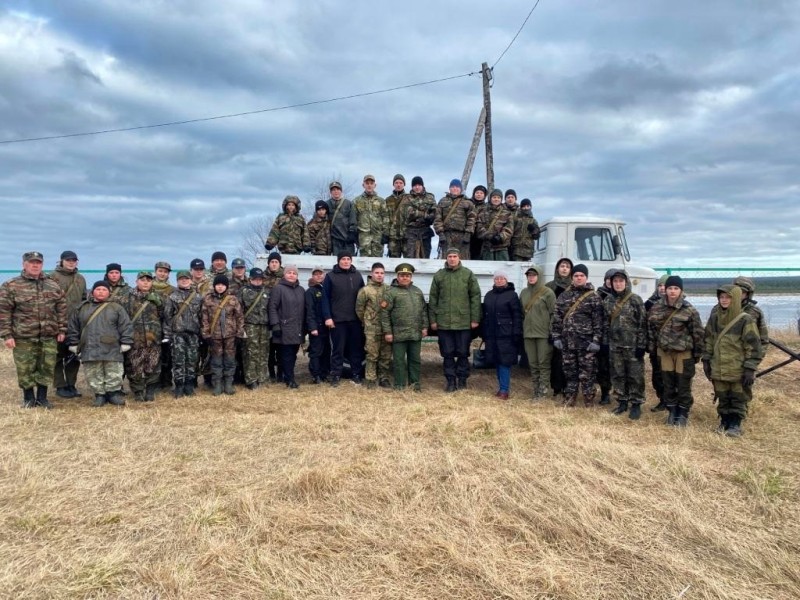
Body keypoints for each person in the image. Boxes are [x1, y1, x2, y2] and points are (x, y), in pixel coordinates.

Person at [0, 251, 67, 408]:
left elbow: (62, 309)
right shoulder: (11, 285)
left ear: (42, 265)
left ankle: (42, 398)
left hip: (49, 335)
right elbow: (3, 312)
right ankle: (28, 398)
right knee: (25, 368)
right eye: (31, 262)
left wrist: (62, 330)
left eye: (38, 262)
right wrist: (6, 335)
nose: (35, 265)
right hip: (23, 336)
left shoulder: (53, 284)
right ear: (24, 264)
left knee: (47, 366)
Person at [702, 285, 762, 437]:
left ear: (735, 299)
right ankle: (724, 422)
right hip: (719, 366)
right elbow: (708, 339)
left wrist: (750, 368)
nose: (724, 300)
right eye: (721, 297)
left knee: (737, 397)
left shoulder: (745, 320)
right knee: (722, 396)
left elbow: (753, 346)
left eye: (728, 297)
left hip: (737, 368)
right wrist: (706, 360)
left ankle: (735, 424)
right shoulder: (715, 317)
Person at [647, 275, 704, 427]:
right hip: (664, 352)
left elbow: (697, 333)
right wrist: (652, 349)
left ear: (681, 290)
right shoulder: (656, 307)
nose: (672, 291)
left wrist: (697, 354)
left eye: (676, 288)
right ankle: (672, 411)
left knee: (683, 384)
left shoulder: (689, 309)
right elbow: (651, 330)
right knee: (668, 383)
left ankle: (683, 413)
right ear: (665, 290)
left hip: (683, 353)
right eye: (670, 288)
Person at [67, 281, 133, 407]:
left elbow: (126, 325)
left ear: (109, 292)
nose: (101, 292)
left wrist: (126, 341)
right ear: (92, 292)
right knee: (93, 372)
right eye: (98, 289)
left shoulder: (116, 308)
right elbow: (73, 326)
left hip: (112, 347)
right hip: (90, 347)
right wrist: (73, 342)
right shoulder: (82, 308)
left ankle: (113, 394)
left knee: (114, 372)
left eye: (104, 289)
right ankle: (99, 395)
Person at [551, 263, 605, 407]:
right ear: (572, 277)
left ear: (586, 277)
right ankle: (570, 398)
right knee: (570, 372)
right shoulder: (564, 296)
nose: (579, 278)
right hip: (568, 343)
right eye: (576, 276)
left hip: (586, 344)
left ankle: (588, 400)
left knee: (587, 374)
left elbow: (599, 322)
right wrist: (556, 337)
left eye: (582, 276)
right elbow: (557, 318)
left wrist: (596, 341)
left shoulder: (594, 297)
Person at [428, 248, 482, 391]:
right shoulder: (439, 275)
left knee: (463, 353)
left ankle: (462, 380)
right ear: (446, 258)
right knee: (448, 354)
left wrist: (475, 318)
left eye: (455, 256)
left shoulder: (467, 274)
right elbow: (433, 298)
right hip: (444, 323)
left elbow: (475, 296)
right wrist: (433, 320)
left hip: (463, 323)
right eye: (450, 256)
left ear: (459, 258)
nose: (452, 259)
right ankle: (451, 381)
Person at [603, 270, 648, 420]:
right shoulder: (608, 300)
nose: (618, 284)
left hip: (633, 347)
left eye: (621, 281)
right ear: (612, 283)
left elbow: (643, 324)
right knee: (618, 375)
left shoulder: (636, 300)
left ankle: (636, 404)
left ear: (626, 282)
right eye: (615, 281)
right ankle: (622, 402)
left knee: (635, 376)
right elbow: (605, 323)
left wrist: (641, 345)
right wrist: (604, 343)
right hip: (615, 346)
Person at [381, 263, 428, 391]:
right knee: (399, 361)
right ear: (398, 276)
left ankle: (415, 384)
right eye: (402, 275)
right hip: (398, 334)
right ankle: (400, 385)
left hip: (415, 333)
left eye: (407, 275)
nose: (405, 278)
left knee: (415, 360)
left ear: (411, 277)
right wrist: (388, 332)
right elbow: (384, 313)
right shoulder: (391, 292)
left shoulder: (417, 291)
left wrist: (424, 327)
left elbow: (423, 310)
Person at [322, 250, 365, 386]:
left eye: (348, 259)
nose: (346, 261)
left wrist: (363, 318)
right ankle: (335, 375)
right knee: (337, 350)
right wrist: (328, 317)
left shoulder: (357, 276)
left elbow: (363, 298)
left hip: (355, 320)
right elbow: (325, 299)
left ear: (351, 260)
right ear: (338, 261)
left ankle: (356, 374)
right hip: (337, 320)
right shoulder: (330, 276)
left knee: (356, 349)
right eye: (343, 259)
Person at [118, 271, 164, 402]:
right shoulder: (126, 298)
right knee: (134, 367)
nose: (145, 283)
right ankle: (138, 391)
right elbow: (121, 319)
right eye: (142, 280)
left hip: (153, 338)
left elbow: (165, 315)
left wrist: (159, 303)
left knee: (153, 366)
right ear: (136, 281)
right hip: (135, 339)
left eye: (148, 280)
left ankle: (150, 390)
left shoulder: (157, 297)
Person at [49, 250, 87, 399]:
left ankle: (71, 384)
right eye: (68, 260)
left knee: (74, 356)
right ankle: (60, 385)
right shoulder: (52, 277)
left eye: (74, 260)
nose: (71, 262)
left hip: (76, 324)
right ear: (61, 261)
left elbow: (84, 300)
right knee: (57, 356)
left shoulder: (81, 278)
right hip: (57, 323)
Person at [482, 270, 523, 400]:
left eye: (502, 278)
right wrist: (484, 332)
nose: (499, 280)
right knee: (497, 361)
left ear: (506, 280)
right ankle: (501, 387)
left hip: (506, 334)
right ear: (494, 280)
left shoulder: (512, 295)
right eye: (497, 278)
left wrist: (516, 331)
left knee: (504, 362)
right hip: (492, 334)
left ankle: (504, 390)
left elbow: (517, 315)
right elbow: (485, 315)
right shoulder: (489, 295)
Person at [201, 274, 245, 396]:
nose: (220, 287)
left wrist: (239, 334)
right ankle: (217, 384)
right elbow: (204, 318)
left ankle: (228, 383)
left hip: (230, 336)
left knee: (230, 360)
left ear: (226, 286)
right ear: (214, 286)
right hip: (214, 337)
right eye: (218, 285)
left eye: (223, 285)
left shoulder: (233, 299)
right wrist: (206, 335)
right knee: (216, 361)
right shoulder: (208, 299)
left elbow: (240, 317)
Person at [163, 270, 203, 398]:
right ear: (177, 281)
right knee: (178, 361)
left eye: (186, 279)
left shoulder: (198, 297)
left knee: (192, 361)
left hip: (193, 334)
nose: (184, 281)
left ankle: (189, 385)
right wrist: (167, 335)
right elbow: (167, 317)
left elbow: (202, 316)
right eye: (181, 279)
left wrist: (202, 334)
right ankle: (179, 385)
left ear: (191, 280)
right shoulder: (172, 297)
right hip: (178, 334)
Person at [519, 266, 556, 399]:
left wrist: (552, 332)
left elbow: (554, 314)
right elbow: (522, 313)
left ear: (539, 276)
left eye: (534, 275)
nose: (531, 277)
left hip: (543, 334)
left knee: (543, 364)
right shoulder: (523, 293)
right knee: (533, 364)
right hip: (528, 334)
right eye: (529, 275)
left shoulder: (548, 293)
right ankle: (536, 391)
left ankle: (543, 392)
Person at [732, 276, 769, 405]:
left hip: (745, 359)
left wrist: (752, 365)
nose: (739, 295)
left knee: (743, 390)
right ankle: (725, 418)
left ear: (748, 294)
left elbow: (763, 341)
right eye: (736, 291)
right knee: (723, 390)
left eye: (742, 292)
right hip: (726, 358)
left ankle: (738, 419)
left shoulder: (755, 312)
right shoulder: (721, 308)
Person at [268, 265, 306, 388]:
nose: (291, 275)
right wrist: (275, 325)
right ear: (284, 274)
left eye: (294, 273)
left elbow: (304, 309)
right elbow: (272, 307)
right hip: (284, 328)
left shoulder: (301, 290)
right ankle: (289, 379)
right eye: (289, 273)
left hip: (297, 328)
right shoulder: (278, 289)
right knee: (286, 355)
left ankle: (287, 376)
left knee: (294, 354)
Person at [355, 262, 392, 388]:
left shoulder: (388, 289)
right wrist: (367, 321)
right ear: (372, 274)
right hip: (371, 328)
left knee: (385, 355)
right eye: (377, 273)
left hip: (386, 328)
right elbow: (359, 309)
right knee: (372, 354)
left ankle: (383, 378)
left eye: (382, 273)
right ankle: (370, 378)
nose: (379, 275)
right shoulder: (365, 290)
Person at [238, 267, 271, 390]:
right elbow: (238, 311)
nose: (257, 281)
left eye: (259, 279)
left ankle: (262, 377)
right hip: (250, 325)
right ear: (250, 279)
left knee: (263, 352)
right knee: (250, 353)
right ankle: (251, 379)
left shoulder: (267, 291)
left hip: (264, 326)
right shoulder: (243, 291)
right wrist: (241, 328)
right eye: (255, 278)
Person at [546, 257, 574, 397]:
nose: (564, 269)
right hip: (554, 327)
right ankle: (556, 387)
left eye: (567, 267)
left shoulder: (574, 286)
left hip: (571, 328)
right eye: (562, 266)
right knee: (555, 358)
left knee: (568, 359)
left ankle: (567, 387)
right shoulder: (549, 286)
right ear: (557, 268)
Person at [433, 178, 476, 259]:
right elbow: (437, 218)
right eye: (452, 187)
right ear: (449, 188)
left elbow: (472, 219)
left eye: (457, 187)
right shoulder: (443, 201)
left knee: (463, 258)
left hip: (462, 235)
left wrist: (468, 234)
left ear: (460, 189)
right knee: (447, 258)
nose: (455, 189)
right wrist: (440, 233)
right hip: (446, 235)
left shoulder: (468, 202)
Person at [645, 275, 668, 411]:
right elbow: (643, 325)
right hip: (655, 347)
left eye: (665, 285)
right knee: (657, 376)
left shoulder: (680, 304)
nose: (662, 288)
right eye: (660, 285)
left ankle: (673, 402)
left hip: (672, 348)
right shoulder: (649, 303)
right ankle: (662, 400)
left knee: (671, 377)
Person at [397, 176, 436, 258]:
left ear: (422, 186)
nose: (417, 187)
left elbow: (434, 214)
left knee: (425, 258)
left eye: (419, 185)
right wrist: (425, 215)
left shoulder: (430, 197)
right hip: (411, 232)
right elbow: (408, 213)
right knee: (410, 257)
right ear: (412, 187)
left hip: (425, 232)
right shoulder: (407, 198)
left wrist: (425, 216)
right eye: (415, 185)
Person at [152, 261, 176, 392]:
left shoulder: (172, 290)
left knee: (167, 355)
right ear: (155, 271)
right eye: (160, 271)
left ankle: (166, 381)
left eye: (165, 272)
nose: (162, 274)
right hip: (151, 326)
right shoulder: (148, 287)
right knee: (154, 355)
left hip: (167, 326)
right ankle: (154, 382)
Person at [305, 266, 331, 384]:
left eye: (320, 274)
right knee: (316, 352)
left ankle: (324, 373)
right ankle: (316, 375)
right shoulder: (311, 291)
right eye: (316, 274)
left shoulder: (325, 289)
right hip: (317, 327)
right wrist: (313, 327)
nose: (319, 276)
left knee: (326, 351)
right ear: (312, 276)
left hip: (327, 327)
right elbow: (309, 311)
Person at [595, 269, 617, 405]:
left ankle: (622, 396)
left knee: (619, 368)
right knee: (603, 368)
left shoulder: (623, 296)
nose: (610, 281)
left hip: (620, 339)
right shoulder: (599, 295)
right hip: (603, 338)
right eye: (608, 279)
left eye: (612, 279)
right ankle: (605, 394)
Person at [354, 174, 388, 257]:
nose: (369, 185)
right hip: (363, 236)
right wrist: (355, 234)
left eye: (371, 183)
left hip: (377, 236)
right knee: (364, 261)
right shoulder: (356, 201)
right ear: (363, 185)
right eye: (367, 183)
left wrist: (385, 234)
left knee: (377, 260)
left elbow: (385, 217)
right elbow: (354, 218)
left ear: (375, 185)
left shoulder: (381, 201)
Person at [476, 189, 513, 260]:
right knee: (486, 270)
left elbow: (509, 229)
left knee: (502, 270)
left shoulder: (507, 213)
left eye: (498, 198)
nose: (496, 199)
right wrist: (488, 235)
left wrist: (500, 237)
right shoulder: (483, 212)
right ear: (490, 198)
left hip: (502, 248)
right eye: (494, 197)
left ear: (501, 199)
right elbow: (479, 226)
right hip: (487, 248)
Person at [326, 181, 358, 256]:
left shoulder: (348, 204)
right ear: (330, 192)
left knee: (349, 261)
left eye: (337, 189)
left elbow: (353, 219)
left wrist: (352, 233)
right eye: (333, 190)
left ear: (341, 191)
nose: (336, 191)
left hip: (347, 239)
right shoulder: (327, 204)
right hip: (334, 240)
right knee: (336, 261)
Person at [385, 174, 407, 258]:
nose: (398, 184)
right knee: (392, 261)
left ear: (404, 184)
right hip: (393, 236)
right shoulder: (388, 200)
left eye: (401, 183)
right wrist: (386, 233)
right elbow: (385, 217)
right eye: (396, 182)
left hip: (406, 236)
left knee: (408, 261)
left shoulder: (409, 198)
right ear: (393, 184)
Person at [469, 185, 488, 260]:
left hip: (480, 237)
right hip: (468, 235)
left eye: (481, 193)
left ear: (484, 195)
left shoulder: (487, 207)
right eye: (477, 192)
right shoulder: (468, 204)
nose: (479, 194)